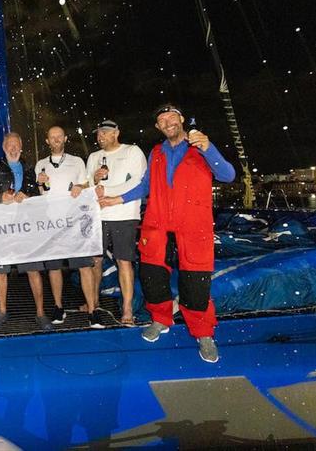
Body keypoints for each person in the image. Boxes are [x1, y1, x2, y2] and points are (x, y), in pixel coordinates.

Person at [100, 104, 235, 363]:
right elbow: (146, 185)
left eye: (172, 117)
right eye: (162, 120)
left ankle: (203, 332)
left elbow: (227, 175)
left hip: (193, 225)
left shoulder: (200, 146)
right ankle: (160, 319)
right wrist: (117, 200)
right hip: (158, 223)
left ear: (182, 119)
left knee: (196, 282)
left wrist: (209, 148)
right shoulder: (157, 152)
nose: (168, 122)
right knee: (152, 276)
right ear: (158, 127)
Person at [0, 132, 53, 332]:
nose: (12, 149)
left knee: (34, 270)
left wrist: (28, 194)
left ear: (21, 148)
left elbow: (40, 193)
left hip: (27, 228)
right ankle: (2, 311)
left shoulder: (31, 169)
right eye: (9, 145)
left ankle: (40, 313)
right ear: (4, 148)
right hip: (3, 228)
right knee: (0, 271)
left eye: (16, 145)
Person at [86, 120, 147, 327]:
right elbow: (88, 187)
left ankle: (127, 309)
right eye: (98, 133)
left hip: (124, 215)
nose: (100, 136)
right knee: (94, 261)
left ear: (116, 132)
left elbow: (139, 182)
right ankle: (92, 303)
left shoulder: (132, 151)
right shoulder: (94, 157)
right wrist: (94, 180)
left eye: (104, 132)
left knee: (124, 261)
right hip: (98, 216)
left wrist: (110, 194)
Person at [34, 126, 87, 325]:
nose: (56, 140)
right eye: (51, 137)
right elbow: (40, 196)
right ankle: (58, 307)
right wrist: (39, 184)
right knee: (54, 267)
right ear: (47, 141)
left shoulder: (77, 161)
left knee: (83, 266)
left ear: (65, 138)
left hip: (74, 222)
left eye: (59, 136)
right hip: (51, 224)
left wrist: (81, 187)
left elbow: (86, 186)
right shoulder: (40, 164)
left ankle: (92, 308)